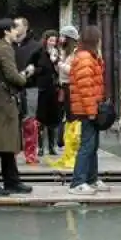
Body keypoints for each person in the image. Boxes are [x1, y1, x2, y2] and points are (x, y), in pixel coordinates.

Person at [0, 18, 34, 197]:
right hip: (2, 101)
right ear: (5, 32)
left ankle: (11, 180)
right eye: (13, 28)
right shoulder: (4, 49)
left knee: (6, 142)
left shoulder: (0, 47)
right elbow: (12, 76)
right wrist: (24, 75)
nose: (16, 31)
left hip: (2, 99)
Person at [68, 25, 107, 196]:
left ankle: (91, 178)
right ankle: (78, 182)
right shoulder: (85, 58)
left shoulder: (90, 56)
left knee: (92, 145)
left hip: (90, 107)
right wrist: (91, 111)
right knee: (87, 145)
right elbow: (86, 88)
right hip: (86, 109)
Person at [46, 25, 80, 169]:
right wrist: (56, 61)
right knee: (67, 120)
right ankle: (67, 153)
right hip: (64, 88)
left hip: (72, 88)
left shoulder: (76, 53)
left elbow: (72, 71)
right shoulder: (66, 52)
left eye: (63, 36)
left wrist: (58, 63)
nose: (60, 39)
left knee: (73, 120)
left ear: (69, 38)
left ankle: (72, 155)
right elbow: (61, 71)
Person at [28, 30, 60, 158]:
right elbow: (30, 67)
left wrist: (55, 60)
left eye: (54, 40)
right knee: (41, 118)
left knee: (52, 118)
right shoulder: (38, 53)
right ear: (45, 40)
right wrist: (37, 71)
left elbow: (59, 70)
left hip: (54, 89)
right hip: (41, 89)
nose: (52, 42)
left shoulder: (57, 53)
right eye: (50, 40)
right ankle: (40, 147)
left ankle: (52, 146)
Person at [14, 17, 39, 163]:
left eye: (17, 25)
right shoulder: (9, 45)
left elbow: (43, 67)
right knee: (13, 121)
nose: (14, 27)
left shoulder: (36, 46)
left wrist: (34, 70)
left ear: (25, 27)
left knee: (30, 121)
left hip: (31, 87)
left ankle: (30, 154)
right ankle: (12, 153)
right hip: (13, 87)